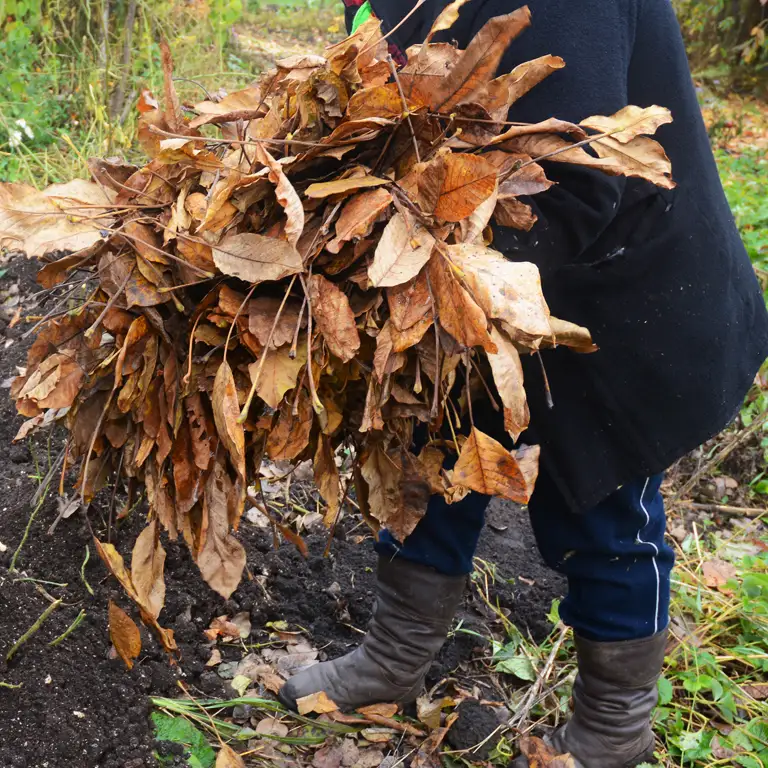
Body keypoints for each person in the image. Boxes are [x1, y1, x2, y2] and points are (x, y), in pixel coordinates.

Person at [279, 1, 768, 765]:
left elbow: (575, 174)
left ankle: (613, 727)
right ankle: (395, 655)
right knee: (435, 452)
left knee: (603, 506)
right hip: (470, 259)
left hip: (618, 287)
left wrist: (414, 255)